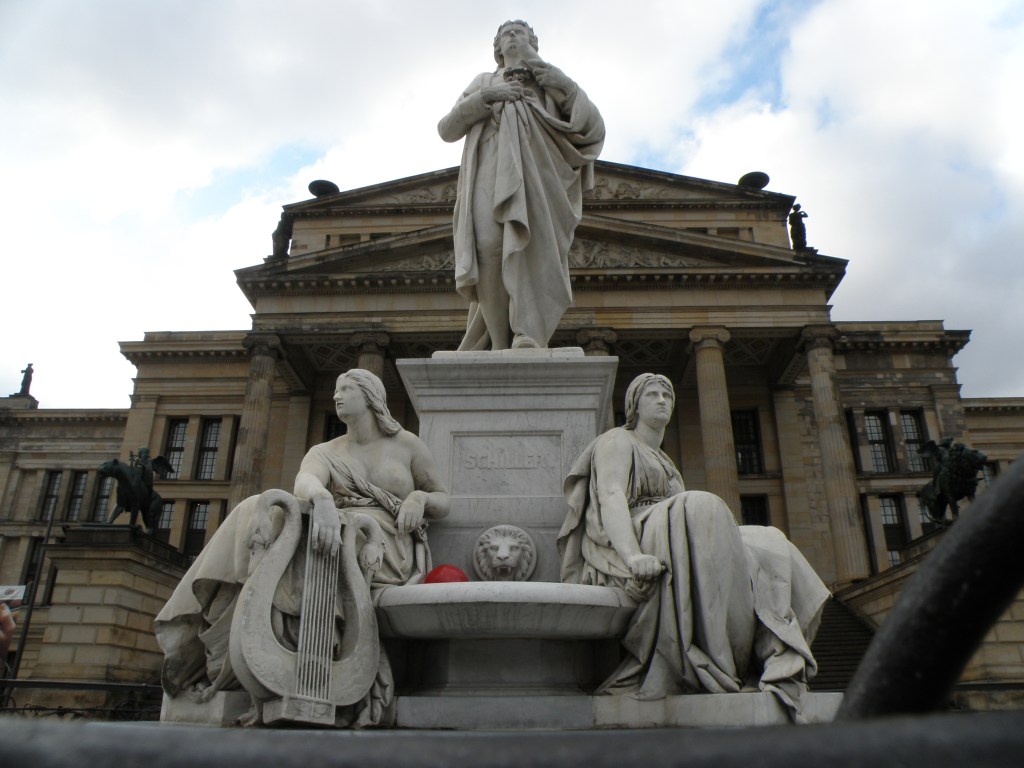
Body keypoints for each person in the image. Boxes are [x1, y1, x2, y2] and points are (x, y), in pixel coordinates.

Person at [155, 369, 450, 726]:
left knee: (325, 544)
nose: (337, 396)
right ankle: (241, 653)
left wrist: (418, 499)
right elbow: (305, 479)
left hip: (383, 542)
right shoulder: (326, 451)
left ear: (370, 396)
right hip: (333, 530)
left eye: (346, 390)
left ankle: (301, 667)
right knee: (258, 509)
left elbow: (443, 499)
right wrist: (322, 498)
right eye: (336, 390)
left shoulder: (407, 445)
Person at [557, 373, 829, 720]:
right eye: (652, 394)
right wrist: (632, 556)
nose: (661, 400)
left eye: (667, 395)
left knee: (769, 539)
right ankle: (718, 658)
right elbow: (611, 497)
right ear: (633, 406)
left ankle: (775, 651)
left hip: (669, 531)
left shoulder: (665, 462)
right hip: (631, 535)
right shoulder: (617, 441)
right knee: (702, 505)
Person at [439, 20, 605, 351]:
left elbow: (592, 129)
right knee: (488, 246)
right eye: (506, 34)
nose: (513, 38)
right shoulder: (484, 81)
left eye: (520, 34)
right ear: (497, 48)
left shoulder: (551, 81)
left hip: (540, 176)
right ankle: (500, 343)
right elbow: (447, 128)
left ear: (534, 43)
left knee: (531, 248)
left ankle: (526, 332)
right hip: (491, 167)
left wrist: (549, 74)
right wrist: (488, 97)